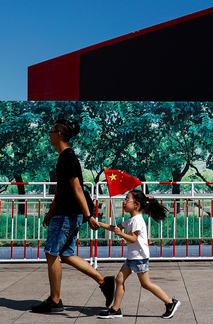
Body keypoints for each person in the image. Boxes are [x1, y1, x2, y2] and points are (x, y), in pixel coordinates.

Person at [30, 119, 116, 313]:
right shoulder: (66, 157)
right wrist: (51, 211)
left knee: (51, 253)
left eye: (52, 131)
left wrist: (89, 216)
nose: (49, 135)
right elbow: (63, 190)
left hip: (66, 216)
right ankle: (104, 282)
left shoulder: (67, 158)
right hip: (68, 214)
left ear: (59, 134)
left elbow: (77, 188)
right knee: (67, 255)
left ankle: (55, 300)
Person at [97, 189, 181, 319]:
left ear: (136, 204)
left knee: (145, 284)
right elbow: (115, 228)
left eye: (127, 199)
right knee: (119, 279)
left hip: (139, 257)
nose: (124, 202)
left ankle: (170, 302)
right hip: (133, 257)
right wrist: (98, 224)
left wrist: (121, 234)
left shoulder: (137, 220)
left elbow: (133, 239)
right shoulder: (131, 219)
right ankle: (115, 310)